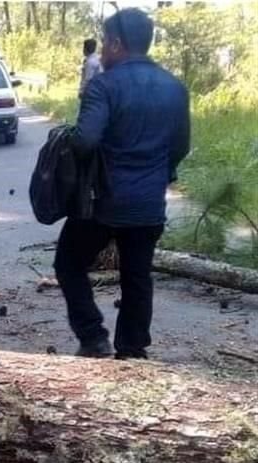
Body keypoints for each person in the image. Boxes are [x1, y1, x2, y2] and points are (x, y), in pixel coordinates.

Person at [54, 9, 190, 359]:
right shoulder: (176, 88)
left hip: (104, 202)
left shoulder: (104, 85)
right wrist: (160, 172)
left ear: (116, 43)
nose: (101, 52)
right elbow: (180, 146)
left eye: (103, 43)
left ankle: (93, 336)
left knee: (69, 262)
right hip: (148, 204)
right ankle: (132, 351)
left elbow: (85, 141)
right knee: (137, 276)